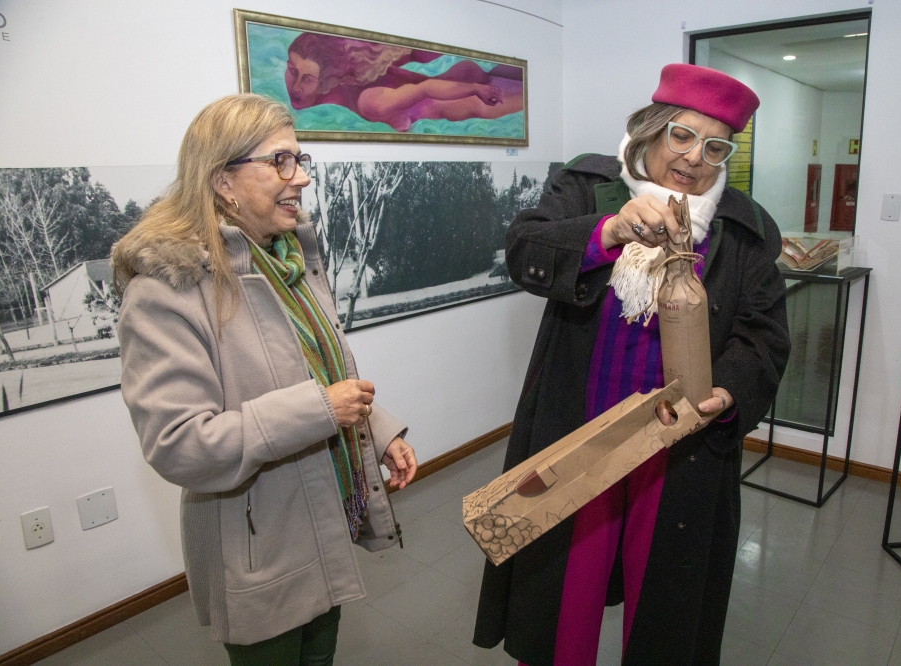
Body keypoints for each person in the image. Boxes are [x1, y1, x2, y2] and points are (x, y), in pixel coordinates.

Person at [473, 64, 790, 666]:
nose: (694, 158)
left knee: (665, 602)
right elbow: (523, 250)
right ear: (651, 129)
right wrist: (609, 231)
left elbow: (764, 335)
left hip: (680, 447)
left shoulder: (742, 231)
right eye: (682, 135)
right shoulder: (590, 186)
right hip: (578, 436)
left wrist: (728, 390)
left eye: (715, 147)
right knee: (562, 594)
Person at [112, 93, 417, 665]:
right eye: (280, 161)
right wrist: (322, 411)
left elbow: (319, 372)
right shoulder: (165, 291)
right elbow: (179, 444)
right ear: (222, 180)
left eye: (299, 159)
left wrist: (378, 432)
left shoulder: (290, 259)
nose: (300, 177)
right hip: (260, 545)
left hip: (325, 516)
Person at [284, 32, 524, 131]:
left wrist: (476, 88)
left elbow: (426, 88)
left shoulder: (367, 101)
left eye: (307, 79)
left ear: (327, 80)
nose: (296, 87)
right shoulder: (362, 75)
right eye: (293, 71)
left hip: (475, 100)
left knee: (539, 95)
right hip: (468, 83)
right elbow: (417, 54)